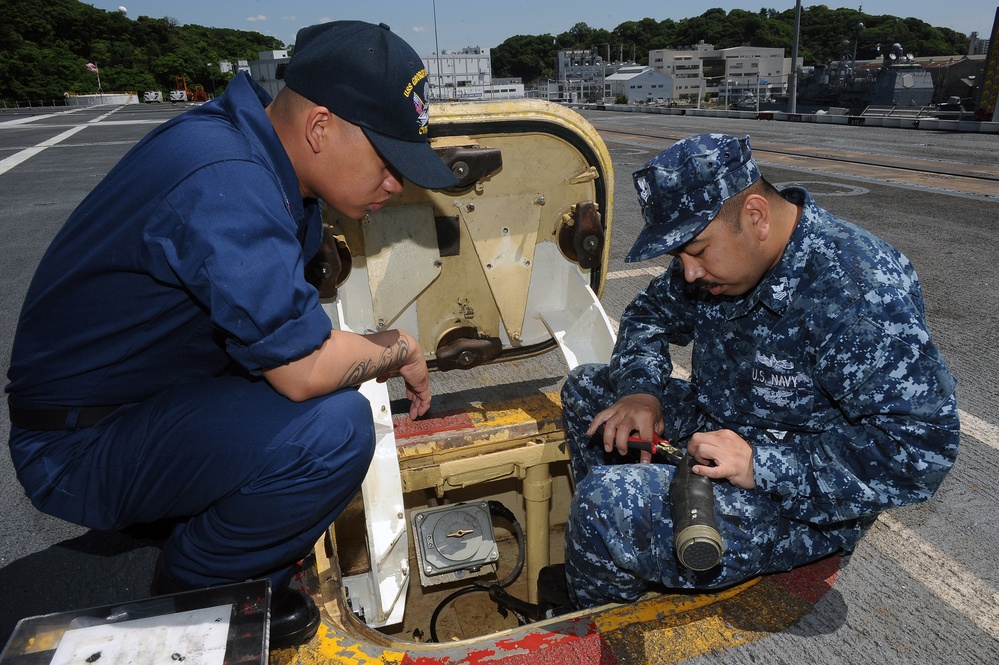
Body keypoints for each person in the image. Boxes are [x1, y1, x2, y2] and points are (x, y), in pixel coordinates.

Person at [5, 21, 458, 648]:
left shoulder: (253, 157)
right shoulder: (226, 179)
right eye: (387, 160)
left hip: (134, 399)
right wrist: (398, 348)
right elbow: (303, 369)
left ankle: (201, 517)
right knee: (334, 432)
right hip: (77, 445)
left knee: (312, 397)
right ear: (320, 127)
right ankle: (201, 588)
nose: (396, 183)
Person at [556, 133, 960, 609]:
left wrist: (761, 466)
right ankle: (639, 548)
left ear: (756, 216)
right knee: (591, 391)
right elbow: (648, 315)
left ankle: (609, 589)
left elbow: (921, 448)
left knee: (603, 505)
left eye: (697, 251)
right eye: (678, 258)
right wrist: (641, 392)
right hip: (722, 428)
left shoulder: (854, 291)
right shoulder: (720, 261)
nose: (688, 273)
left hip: (801, 497)